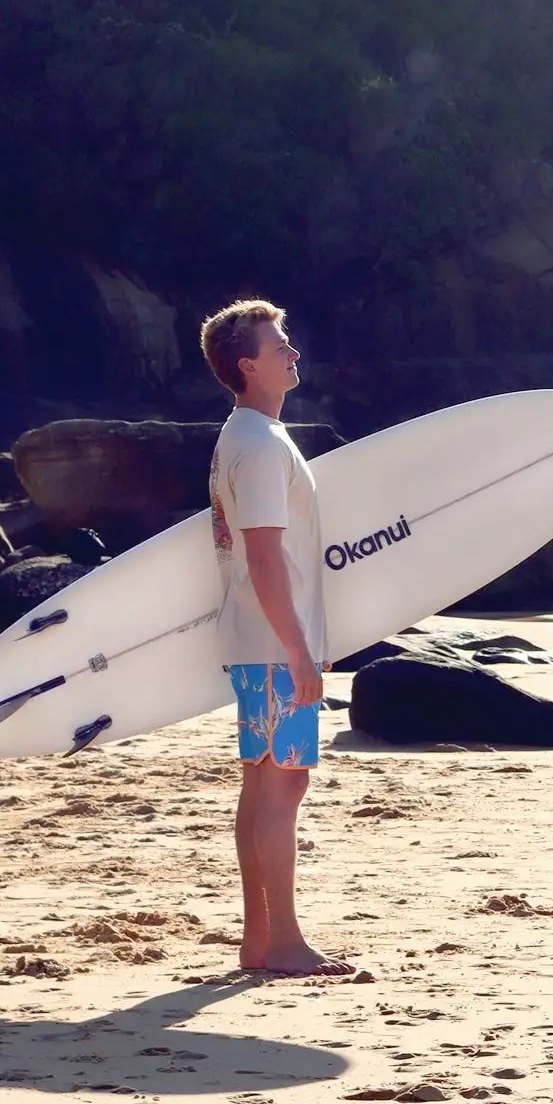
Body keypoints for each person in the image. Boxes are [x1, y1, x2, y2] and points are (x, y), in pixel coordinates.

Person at [199, 298, 353, 977]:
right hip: (272, 643)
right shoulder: (259, 446)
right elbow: (264, 555)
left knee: (262, 788)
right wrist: (298, 648)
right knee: (282, 788)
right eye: (279, 346)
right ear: (247, 365)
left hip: (256, 639)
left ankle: (260, 939)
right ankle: (282, 941)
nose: (292, 353)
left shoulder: (247, 434)